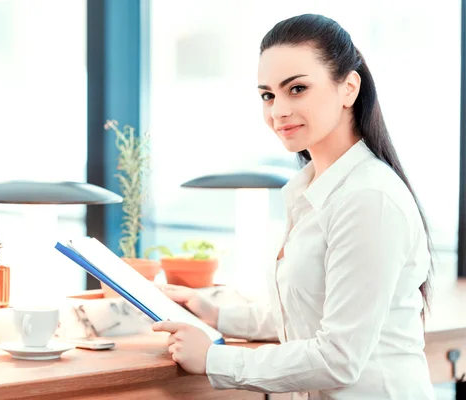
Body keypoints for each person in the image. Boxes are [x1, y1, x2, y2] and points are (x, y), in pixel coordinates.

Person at [152, 13, 435, 399]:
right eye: (268, 95)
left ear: (349, 88)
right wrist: (214, 312)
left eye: (297, 89)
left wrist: (216, 360)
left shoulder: (370, 198)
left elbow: (338, 357)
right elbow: (308, 315)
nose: (278, 111)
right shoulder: (309, 189)